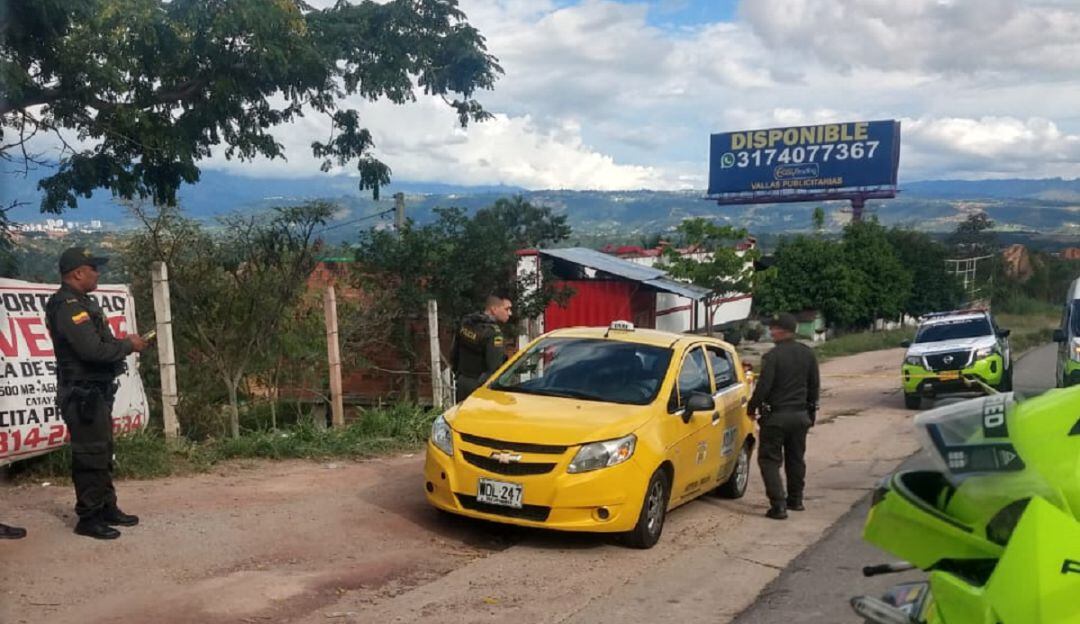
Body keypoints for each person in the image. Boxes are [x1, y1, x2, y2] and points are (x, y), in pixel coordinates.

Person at [45, 247, 149, 540]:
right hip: (81, 394)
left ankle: (106, 507)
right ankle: (88, 517)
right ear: (78, 273)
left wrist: (125, 343)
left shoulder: (82, 302)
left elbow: (101, 343)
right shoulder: (67, 307)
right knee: (90, 454)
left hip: (95, 391)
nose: (98, 273)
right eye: (93, 268)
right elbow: (91, 350)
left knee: (103, 451)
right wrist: (128, 345)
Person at [748, 312, 820, 520]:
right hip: (800, 416)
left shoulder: (772, 357)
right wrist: (811, 413)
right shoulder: (808, 354)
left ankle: (778, 505)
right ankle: (796, 500)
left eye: (773, 328)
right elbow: (814, 386)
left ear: (781, 331)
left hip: (776, 417)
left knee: (769, 460)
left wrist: (752, 408)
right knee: (796, 459)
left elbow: (763, 387)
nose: (771, 331)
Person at [450, 295, 512, 402]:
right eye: (507, 309)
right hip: (479, 386)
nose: (510, 313)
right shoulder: (493, 333)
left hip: (462, 381)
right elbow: (495, 367)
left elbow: (454, 353)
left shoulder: (467, 323)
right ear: (494, 309)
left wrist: (459, 375)